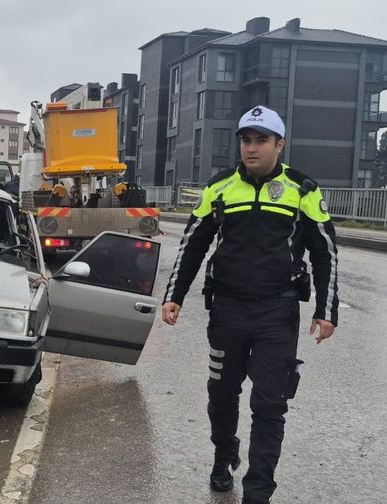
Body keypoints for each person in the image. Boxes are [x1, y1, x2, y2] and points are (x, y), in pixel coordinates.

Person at [161, 105, 339, 504]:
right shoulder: (220, 187)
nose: (252, 148)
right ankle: (224, 457)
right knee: (221, 394)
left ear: (280, 144)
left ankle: (258, 491)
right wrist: (174, 296)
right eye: (246, 140)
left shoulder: (302, 189)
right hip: (227, 309)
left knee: (269, 403)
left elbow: (325, 252)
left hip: (278, 312)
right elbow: (193, 244)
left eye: (261, 140)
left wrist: (326, 310)